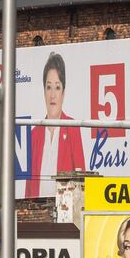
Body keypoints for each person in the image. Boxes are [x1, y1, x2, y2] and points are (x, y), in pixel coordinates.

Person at [26, 52, 86, 197]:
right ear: (43, 91)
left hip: (64, 208)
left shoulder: (72, 127)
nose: (52, 95)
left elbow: (81, 178)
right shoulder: (34, 134)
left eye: (57, 87)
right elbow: (28, 188)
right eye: (48, 87)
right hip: (37, 210)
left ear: (63, 93)